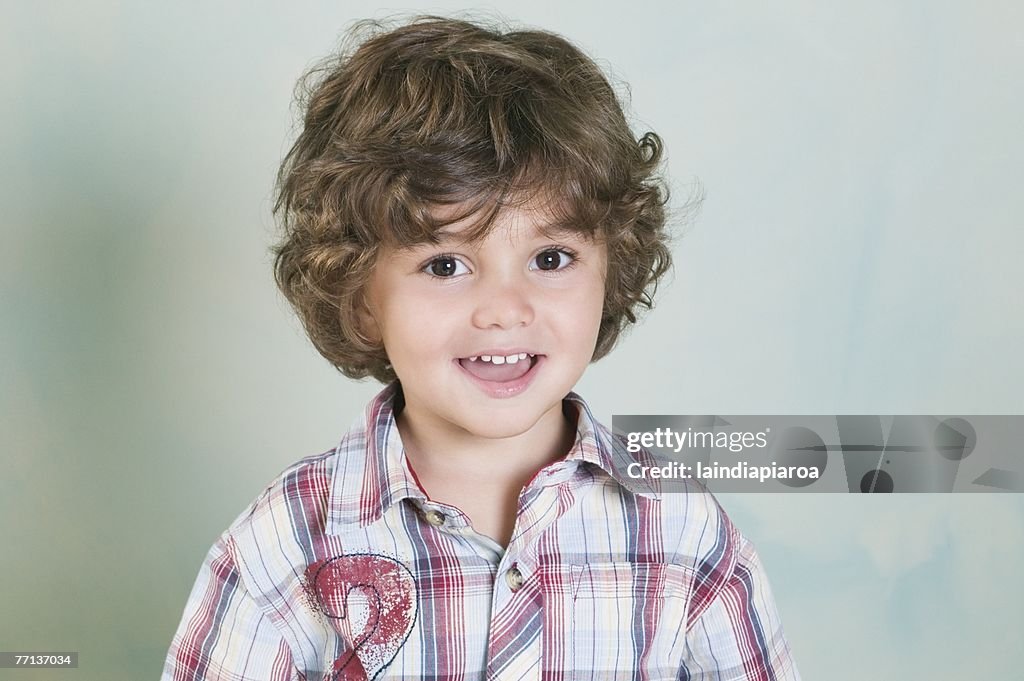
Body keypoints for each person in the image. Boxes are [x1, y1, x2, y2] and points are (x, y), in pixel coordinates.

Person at [163, 15, 800, 680]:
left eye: (551, 257)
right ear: (359, 293)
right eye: (445, 265)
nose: (505, 309)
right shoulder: (285, 547)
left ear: (613, 268)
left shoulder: (681, 532)